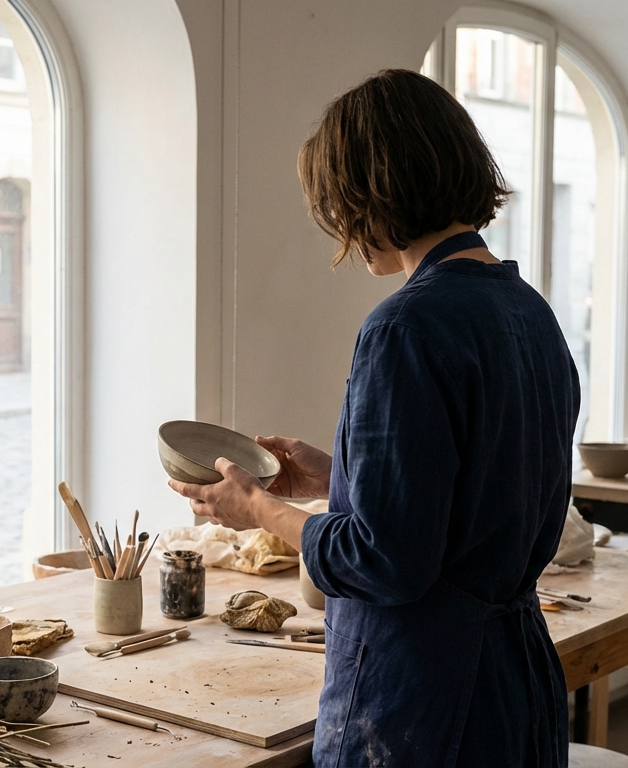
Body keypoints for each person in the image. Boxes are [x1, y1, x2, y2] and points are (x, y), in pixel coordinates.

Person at [167, 69, 580, 767]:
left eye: (340, 202)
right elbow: (478, 490)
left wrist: (257, 509)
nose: (341, 225)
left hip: (425, 703)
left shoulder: (406, 327)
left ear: (374, 192)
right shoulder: (528, 311)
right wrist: (340, 478)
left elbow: (386, 560)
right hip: (514, 688)